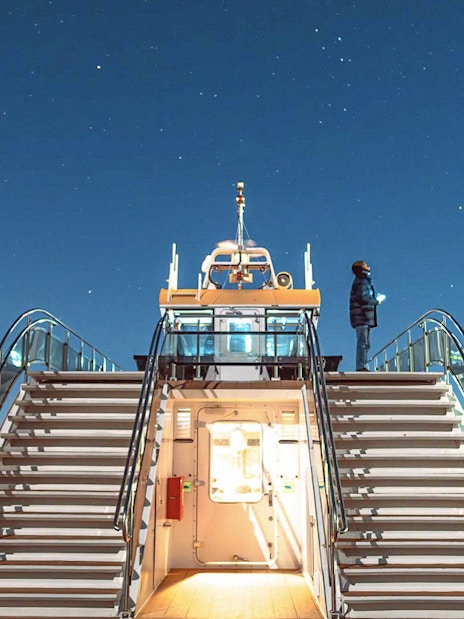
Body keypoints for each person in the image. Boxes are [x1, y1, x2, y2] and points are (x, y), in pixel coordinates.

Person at [349, 260, 384, 371]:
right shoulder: (362, 281)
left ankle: (362, 365)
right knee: (363, 343)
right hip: (362, 316)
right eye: (365, 265)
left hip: (362, 317)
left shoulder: (361, 280)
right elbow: (364, 298)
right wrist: (375, 301)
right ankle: (361, 366)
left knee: (365, 343)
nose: (368, 266)